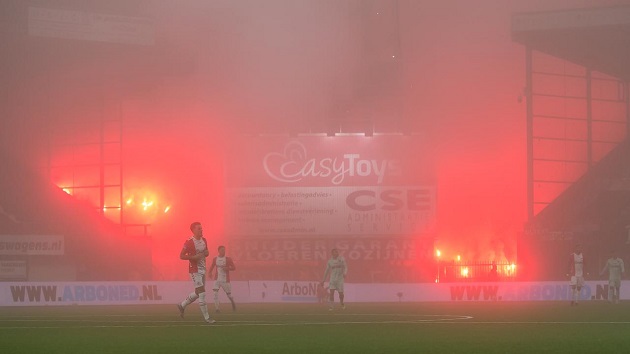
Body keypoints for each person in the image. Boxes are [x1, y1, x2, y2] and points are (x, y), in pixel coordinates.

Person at [176, 222, 215, 324]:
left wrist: (206, 253)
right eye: (199, 229)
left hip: (202, 269)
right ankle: (207, 318)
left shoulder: (204, 240)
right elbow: (181, 256)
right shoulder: (189, 242)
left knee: (198, 293)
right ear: (193, 230)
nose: (201, 230)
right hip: (194, 270)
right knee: (202, 293)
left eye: (201, 228)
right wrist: (193, 257)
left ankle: (182, 305)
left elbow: (206, 252)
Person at [208, 245, 237, 313]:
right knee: (215, 293)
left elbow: (234, 268)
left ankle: (232, 301)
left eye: (224, 250)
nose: (223, 251)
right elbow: (212, 266)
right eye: (222, 250)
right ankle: (217, 309)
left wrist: (227, 268)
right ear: (219, 251)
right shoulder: (215, 259)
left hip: (225, 280)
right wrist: (209, 272)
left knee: (229, 295)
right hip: (217, 279)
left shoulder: (228, 259)